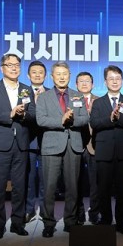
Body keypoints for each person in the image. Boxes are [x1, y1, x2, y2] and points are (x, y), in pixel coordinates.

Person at [0, 53, 36, 239]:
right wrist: (9, 114)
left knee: (20, 186)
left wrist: (23, 115)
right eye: (10, 64)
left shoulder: (26, 89)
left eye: (17, 65)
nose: (14, 68)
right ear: (1, 68)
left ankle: (17, 223)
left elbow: (33, 114)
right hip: (0, 144)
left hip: (21, 144)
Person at [35, 61, 88, 236]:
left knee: (72, 187)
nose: (62, 77)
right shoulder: (44, 97)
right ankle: (48, 223)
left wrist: (71, 121)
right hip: (51, 146)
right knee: (49, 187)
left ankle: (70, 221)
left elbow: (85, 118)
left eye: (65, 73)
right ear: (52, 77)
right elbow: (41, 120)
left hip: (73, 145)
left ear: (69, 75)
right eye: (58, 74)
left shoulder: (77, 96)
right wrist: (61, 120)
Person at [89, 65, 123, 235]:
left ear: (121, 81)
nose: (115, 82)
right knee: (103, 189)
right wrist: (110, 119)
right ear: (105, 82)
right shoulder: (98, 102)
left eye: (118, 79)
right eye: (111, 79)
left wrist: (119, 118)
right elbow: (94, 123)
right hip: (104, 151)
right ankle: (106, 219)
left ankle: (121, 222)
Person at [75, 71, 100, 224]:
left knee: (95, 183)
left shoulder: (100, 101)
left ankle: (94, 212)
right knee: (76, 182)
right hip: (75, 144)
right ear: (76, 84)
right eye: (81, 81)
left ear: (93, 84)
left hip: (94, 145)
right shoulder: (70, 99)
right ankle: (78, 211)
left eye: (87, 81)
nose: (84, 84)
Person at [26, 60, 48, 223]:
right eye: (34, 72)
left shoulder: (52, 93)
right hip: (28, 141)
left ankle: (45, 210)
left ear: (45, 76)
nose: (38, 75)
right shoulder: (22, 92)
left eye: (41, 72)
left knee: (46, 179)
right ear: (28, 75)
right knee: (29, 178)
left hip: (48, 142)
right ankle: (29, 210)